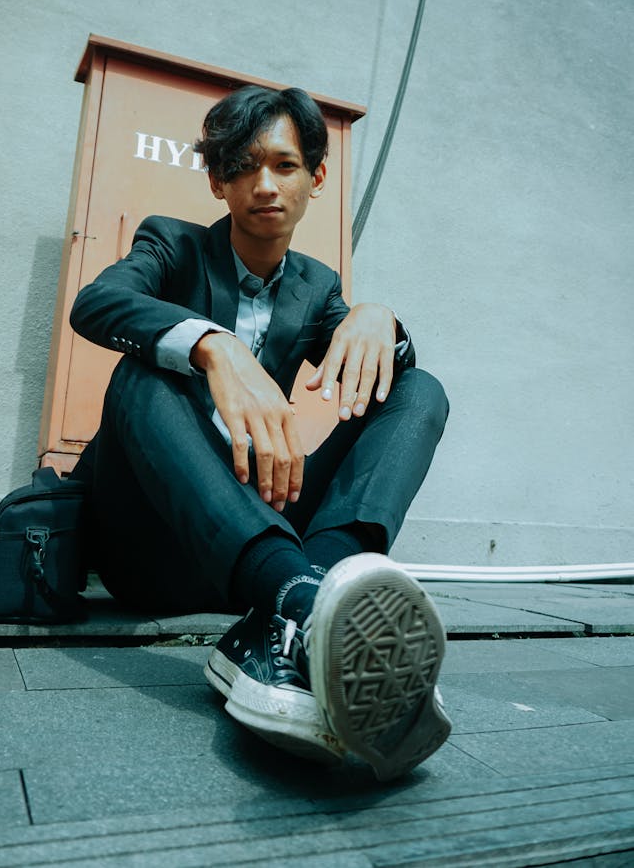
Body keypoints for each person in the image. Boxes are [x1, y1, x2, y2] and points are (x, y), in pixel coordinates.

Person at [70, 84, 450, 780]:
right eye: (243, 166)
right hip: (155, 539)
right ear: (217, 180)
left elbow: (380, 372)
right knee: (141, 375)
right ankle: (302, 600)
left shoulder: (315, 284)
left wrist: (378, 318)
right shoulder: (173, 243)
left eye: (283, 164)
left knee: (421, 391)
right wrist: (212, 345)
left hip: (262, 535)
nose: (264, 184)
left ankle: (305, 599)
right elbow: (97, 303)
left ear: (316, 178)